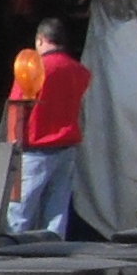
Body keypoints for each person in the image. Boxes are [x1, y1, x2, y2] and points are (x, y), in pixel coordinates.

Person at [6, 17, 91, 237]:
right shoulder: (80, 71)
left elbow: (16, 107)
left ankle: (13, 258)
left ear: (41, 39)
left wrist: (12, 145)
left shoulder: (33, 67)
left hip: (35, 149)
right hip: (67, 148)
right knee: (57, 212)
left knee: (20, 212)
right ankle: (54, 257)